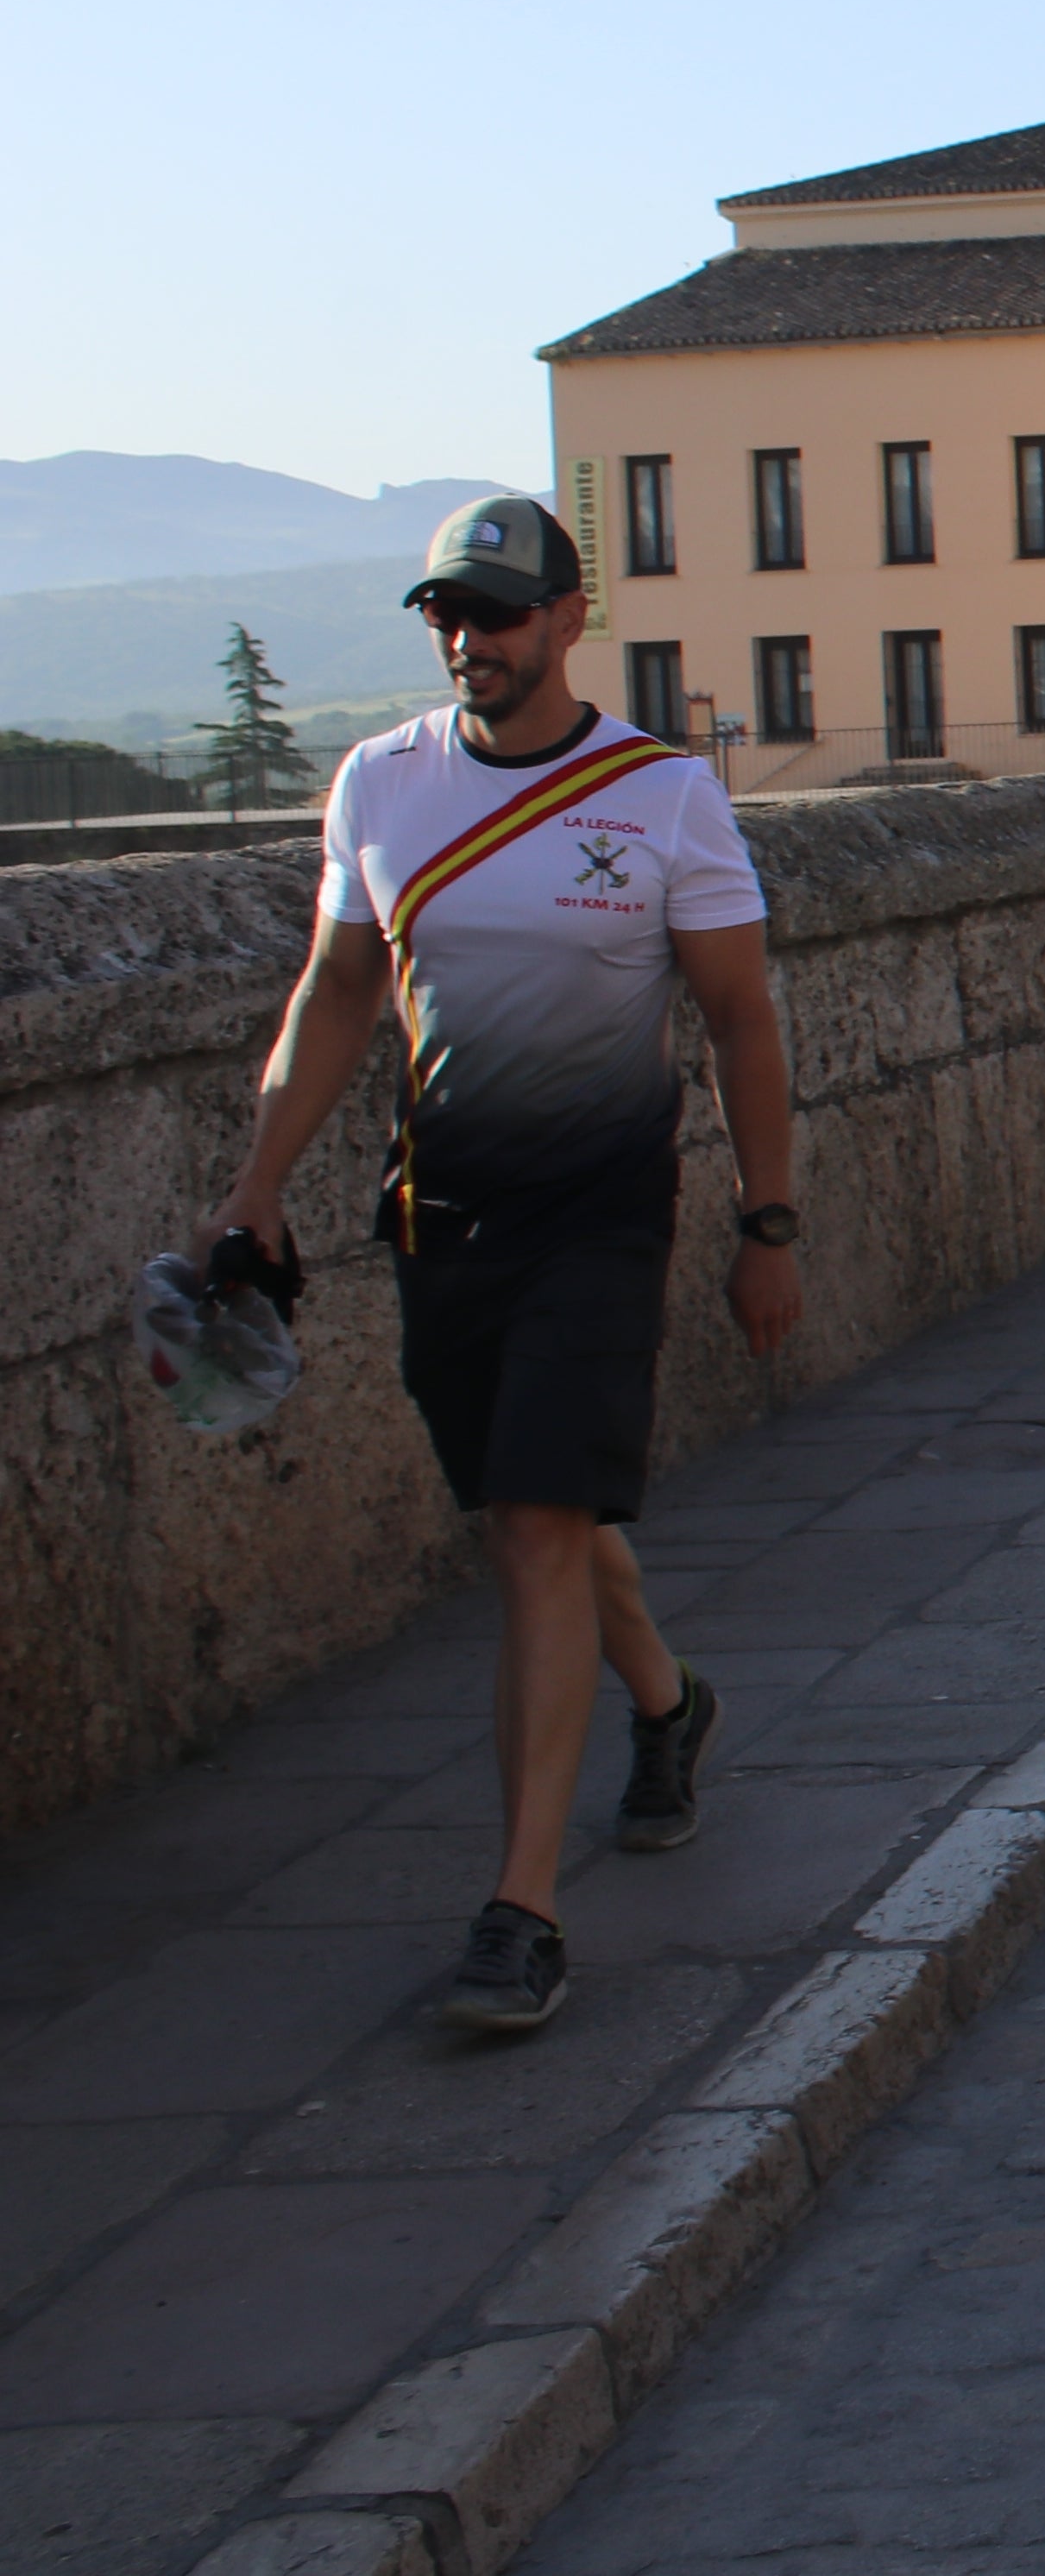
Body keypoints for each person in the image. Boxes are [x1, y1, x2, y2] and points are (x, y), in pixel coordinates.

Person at [206, 495, 803, 2037]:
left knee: (539, 1520)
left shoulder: (663, 797)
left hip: (603, 1216)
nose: (472, 640)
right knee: (531, 1514)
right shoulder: (382, 784)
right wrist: (259, 1188)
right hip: (444, 1219)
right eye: (448, 617)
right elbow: (340, 989)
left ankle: (522, 1908)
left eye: (500, 612)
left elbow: (740, 1019)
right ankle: (669, 1706)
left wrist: (768, 1221)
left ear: (567, 616)